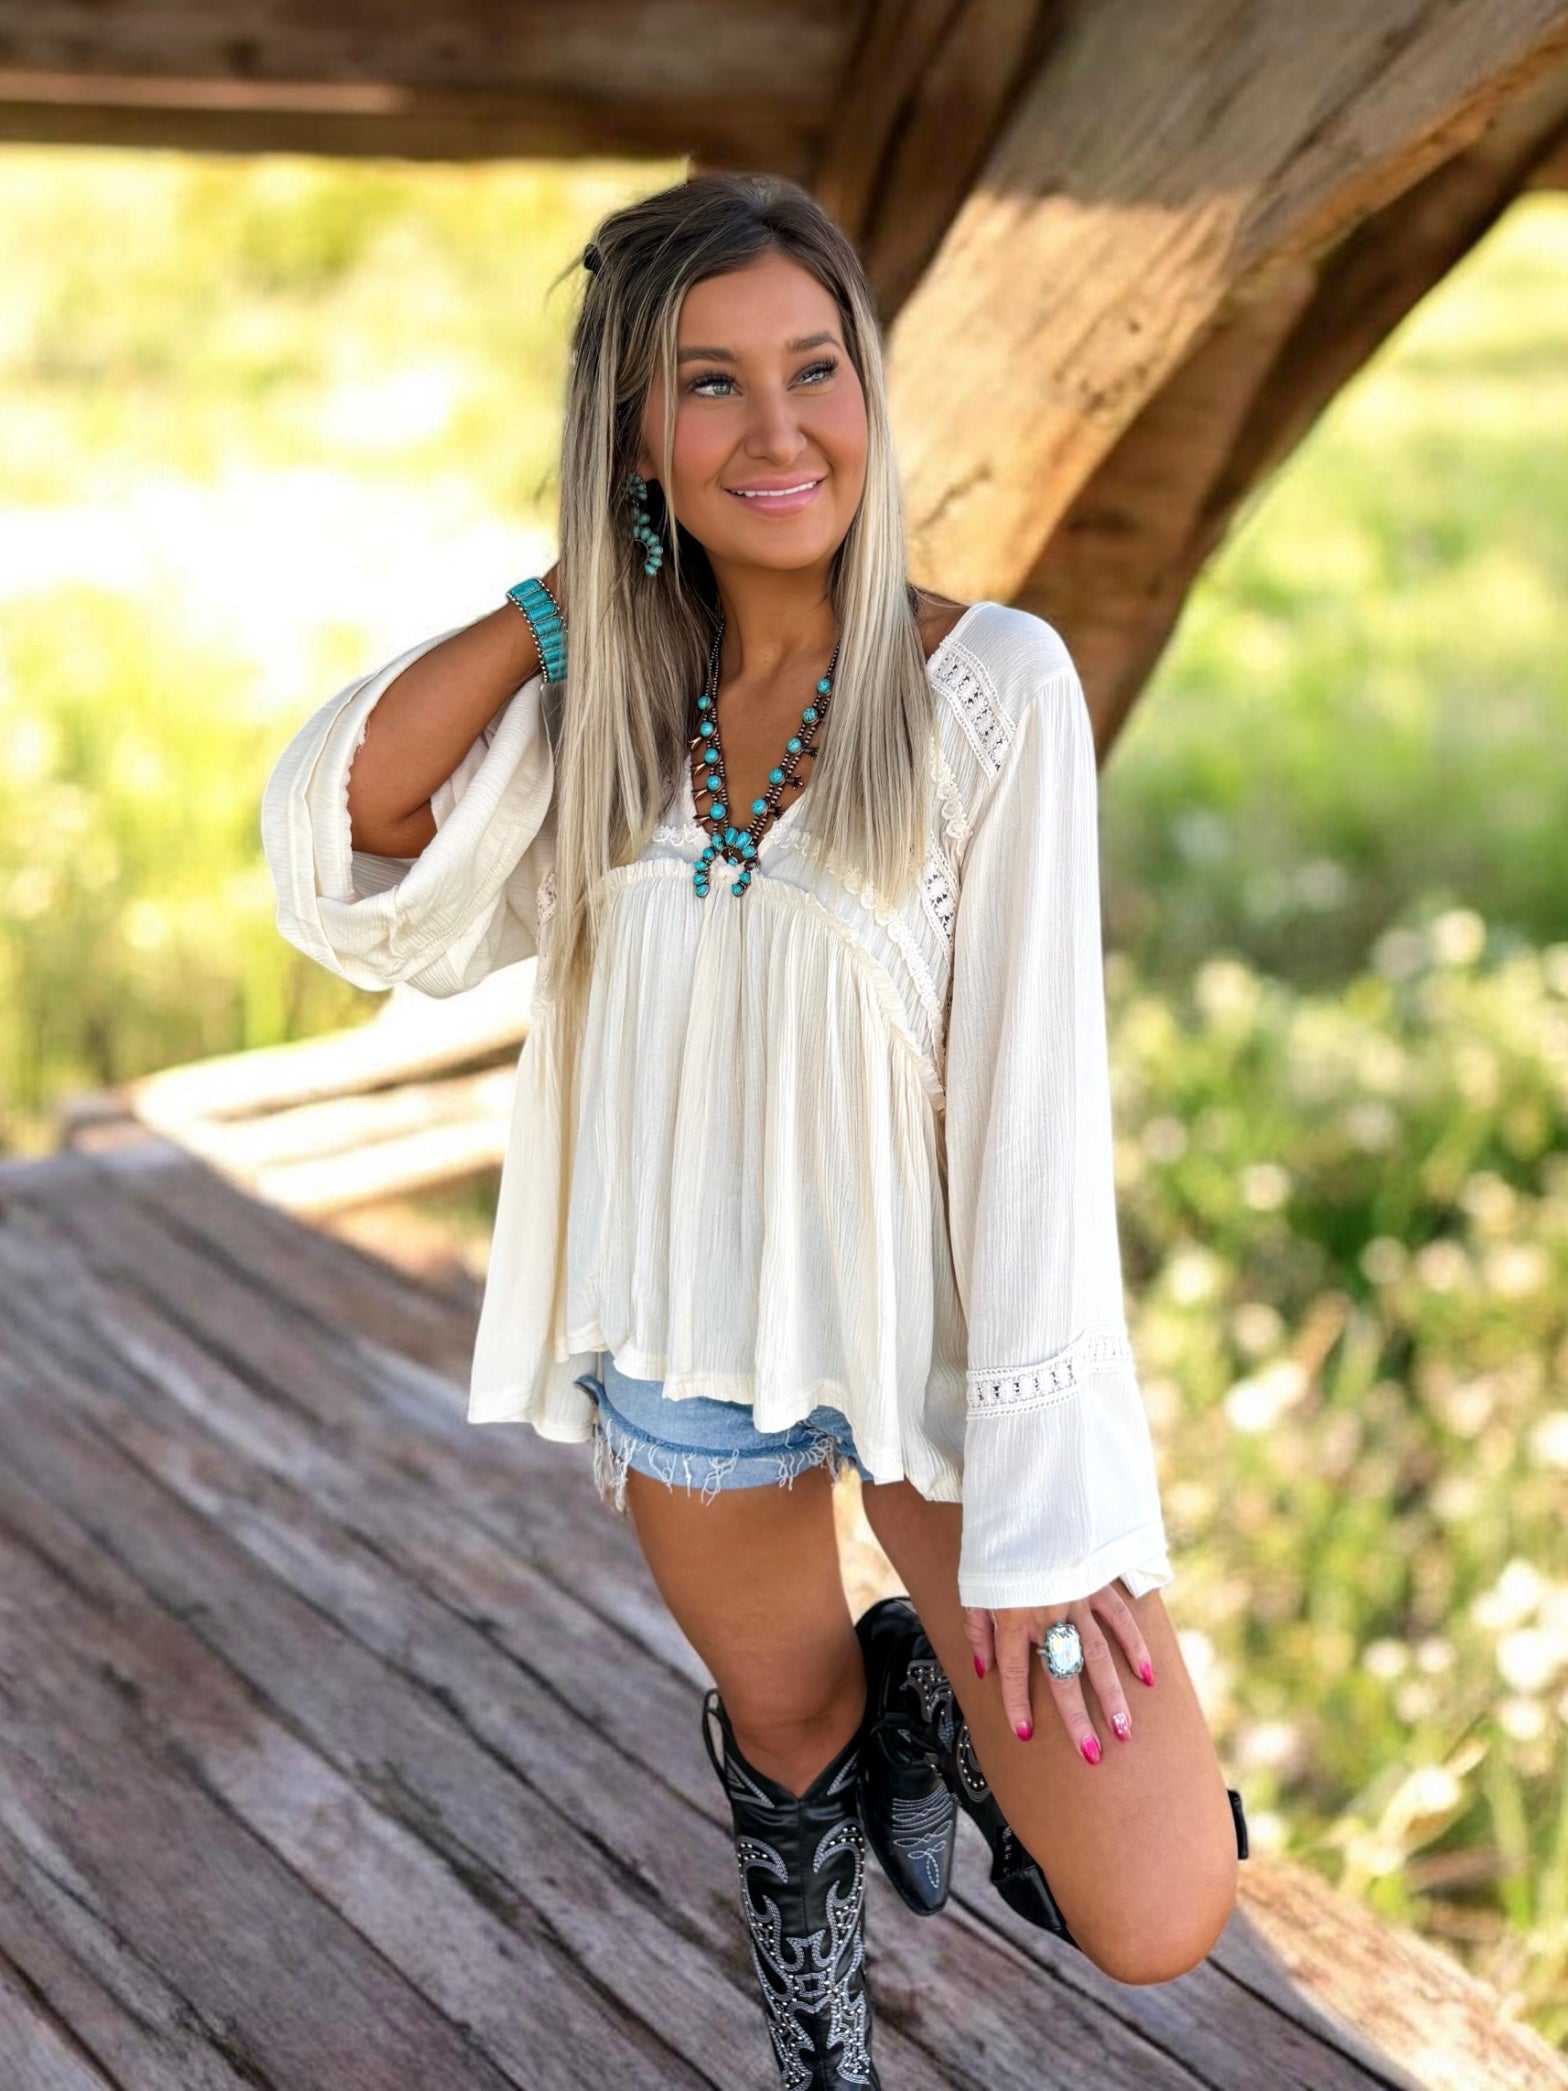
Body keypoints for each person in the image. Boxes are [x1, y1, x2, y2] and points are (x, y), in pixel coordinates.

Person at [261, 169, 1246, 2088]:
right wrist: (573, 599)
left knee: (1157, 1906)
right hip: (687, 1348)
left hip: (941, 1361)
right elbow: (342, 840)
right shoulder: (610, 703)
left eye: (817, 370)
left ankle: (925, 1686)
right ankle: (818, 2016)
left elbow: (1042, 1113)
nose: (779, 431)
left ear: (870, 390)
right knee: (790, 1737)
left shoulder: (991, 690)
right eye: (709, 384)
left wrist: (1051, 1521)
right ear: (636, 430)